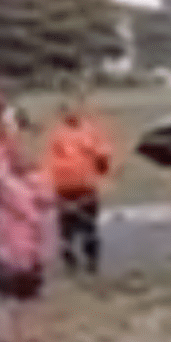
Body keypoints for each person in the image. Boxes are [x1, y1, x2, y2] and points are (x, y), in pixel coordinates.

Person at [0, 152, 54, 342]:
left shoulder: (2, 192)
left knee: (6, 299)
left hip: (10, 250)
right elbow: (42, 218)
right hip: (24, 250)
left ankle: (10, 339)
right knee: (25, 299)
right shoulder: (32, 190)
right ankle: (23, 338)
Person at [44, 102, 113, 275]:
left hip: (85, 186)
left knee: (88, 226)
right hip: (63, 188)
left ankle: (91, 263)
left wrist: (101, 168)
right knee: (66, 228)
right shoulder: (56, 134)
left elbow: (103, 157)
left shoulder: (90, 131)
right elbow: (49, 160)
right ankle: (70, 262)